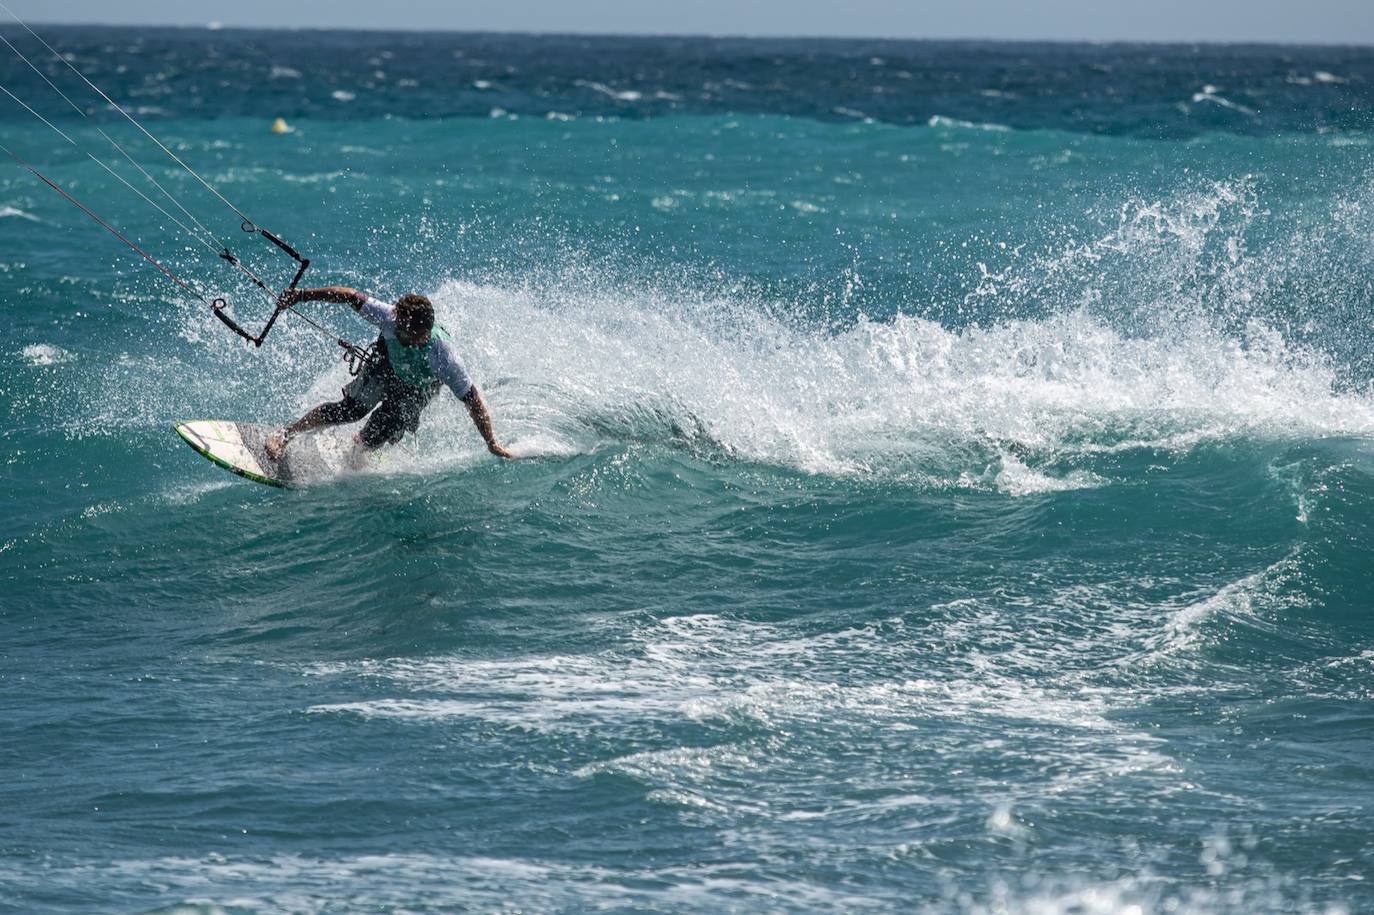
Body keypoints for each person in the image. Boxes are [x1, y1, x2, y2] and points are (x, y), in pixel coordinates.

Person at [263, 286, 512, 461]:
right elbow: (348, 296)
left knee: (386, 427)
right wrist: (302, 296)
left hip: (419, 387)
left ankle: (359, 447)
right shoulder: (388, 316)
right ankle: (285, 433)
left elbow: (473, 401)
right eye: (398, 327)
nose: (399, 334)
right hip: (384, 368)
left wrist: (492, 443)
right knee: (350, 410)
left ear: (424, 333)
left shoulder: (444, 357)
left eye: (406, 333)